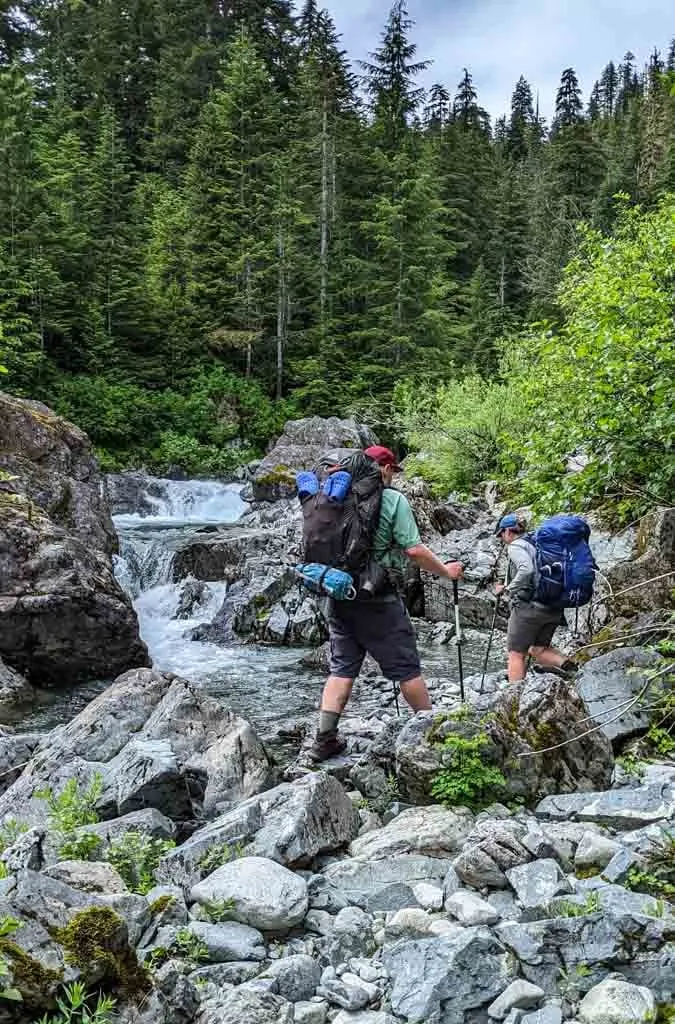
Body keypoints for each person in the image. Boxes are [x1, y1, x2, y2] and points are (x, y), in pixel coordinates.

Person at [309, 445, 464, 763]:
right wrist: (446, 572)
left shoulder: (334, 500)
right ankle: (431, 732)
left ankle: (324, 740)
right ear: (383, 469)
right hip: (377, 596)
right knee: (407, 669)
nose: (394, 477)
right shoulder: (393, 500)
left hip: (338, 595)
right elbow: (414, 551)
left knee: (341, 669)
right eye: (393, 470)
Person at [494, 513, 578, 684]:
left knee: (516, 654)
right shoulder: (538, 544)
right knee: (538, 649)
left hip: (529, 607)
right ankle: (573, 669)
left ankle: (514, 698)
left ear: (507, 532)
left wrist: (509, 589)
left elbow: (526, 570)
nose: (501, 539)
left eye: (500, 535)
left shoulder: (516, 546)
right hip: (553, 606)